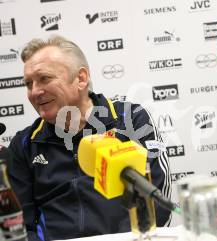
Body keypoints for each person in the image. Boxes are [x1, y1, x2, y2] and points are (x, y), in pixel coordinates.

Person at [7, 35, 171, 241]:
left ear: (81, 79)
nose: (35, 92)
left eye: (44, 78)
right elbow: (20, 225)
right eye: (29, 84)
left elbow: (156, 198)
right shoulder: (24, 144)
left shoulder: (130, 119)